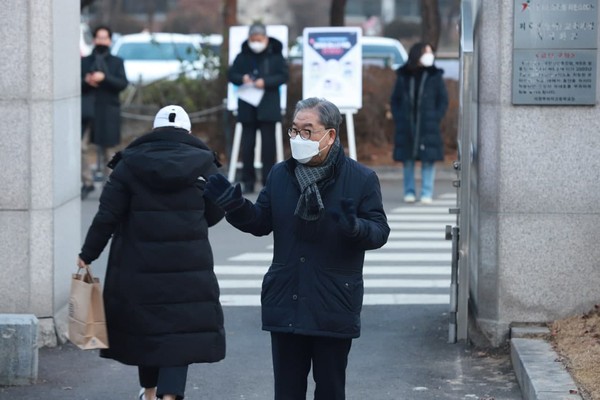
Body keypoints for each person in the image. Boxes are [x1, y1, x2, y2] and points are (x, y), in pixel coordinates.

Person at [204, 97, 390, 400]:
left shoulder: (360, 179)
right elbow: (260, 222)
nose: (298, 138)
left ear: (330, 135)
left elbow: (380, 231)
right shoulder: (281, 174)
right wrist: (233, 204)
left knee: (330, 389)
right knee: (287, 392)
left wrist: (355, 228)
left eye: (307, 131)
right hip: (286, 298)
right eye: (293, 131)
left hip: (333, 302)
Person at [77, 105, 226, 400]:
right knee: (179, 330)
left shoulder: (129, 164)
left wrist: (87, 254)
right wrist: (192, 221)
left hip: (138, 263)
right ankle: (169, 395)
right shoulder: (205, 165)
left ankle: (149, 392)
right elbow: (217, 210)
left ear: (154, 131)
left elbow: (107, 215)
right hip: (189, 264)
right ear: (188, 132)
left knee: (147, 328)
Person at [227, 21, 289, 194]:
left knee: (268, 148)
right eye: (253, 38)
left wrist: (266, 82)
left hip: (268, 107)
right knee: (247, 147)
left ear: (266, 38)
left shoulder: (276, 55)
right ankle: (248, 181)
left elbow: (283, 76)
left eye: (259, 39)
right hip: (247, 107)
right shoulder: (243, 55)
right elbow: (231, 74)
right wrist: (243, 78)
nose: (255, 42)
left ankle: (268, 181)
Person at [390, 42, 448, 204]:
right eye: (426, 52)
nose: (430, 55)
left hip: (428, 124)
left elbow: (443, 100)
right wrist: (399, 116)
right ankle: (409, 191)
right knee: (408, 160)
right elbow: (395, 99)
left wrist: (435, 117)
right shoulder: (404, 75)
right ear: (417, 55)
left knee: (428, 160)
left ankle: (426, 192)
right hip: (407, 124)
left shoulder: (434, 75)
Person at [81, 25, 128, 199]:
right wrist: (87, 81)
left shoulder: (117, 62)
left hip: (108, 112)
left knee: (109, 152)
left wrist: (104, 78)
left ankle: (111, 186)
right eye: (99, 38)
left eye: (104, 38)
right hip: (88, 111)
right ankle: (87, 182)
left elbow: (122, 84)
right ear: (94, 39)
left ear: (109, 40)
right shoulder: (85, 62)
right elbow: (75, 85)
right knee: (81, 147)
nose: (101, 41)